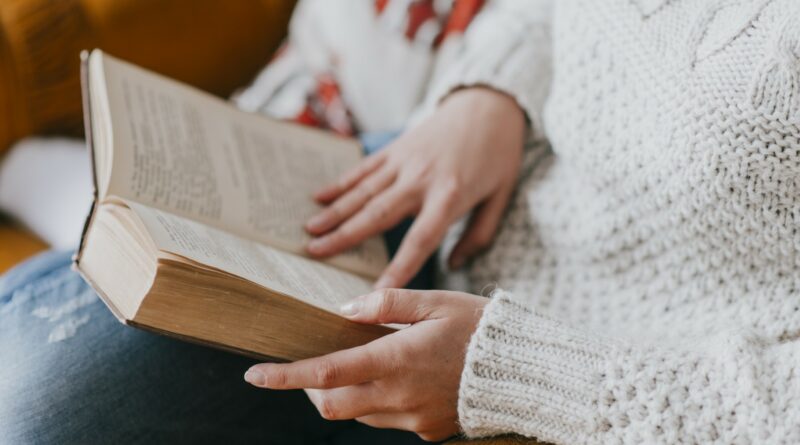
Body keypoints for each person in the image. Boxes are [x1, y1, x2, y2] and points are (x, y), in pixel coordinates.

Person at [2, 1, 800, 444]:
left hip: (559, 370)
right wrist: (489, 92)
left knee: (36, 410)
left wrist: (516, 374)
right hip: (446, 193)